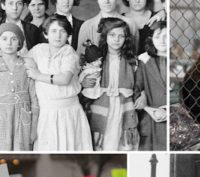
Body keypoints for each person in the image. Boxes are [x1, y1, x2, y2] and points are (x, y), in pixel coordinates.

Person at [25, 14, 93, 151]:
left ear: (68, 35)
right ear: (46, 34)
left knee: (69, 149)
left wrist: (38, 75)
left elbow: (64, 79)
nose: (58, 36)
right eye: (54, 31)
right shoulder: (38, 50)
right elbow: (24, 62)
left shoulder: (69, 52)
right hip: (45, 111)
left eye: (63, 31)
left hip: (68, 112)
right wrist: (29, 65)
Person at [88, 17, 139, 151]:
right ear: (105, 37)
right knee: (104, 142)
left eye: (121, 36)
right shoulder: (98, 60)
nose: (116, 39)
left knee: (122, 143)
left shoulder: (132, 61)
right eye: (112, 35)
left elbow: (139, 85)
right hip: (103, 105)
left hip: (123, 106)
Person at [0, 23, 39, 150]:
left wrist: (33, 128)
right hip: (2, 117)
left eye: (14, 39)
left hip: (23, 119)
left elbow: (34, 99)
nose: (9, 43)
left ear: (19, 43)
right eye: (4, 39)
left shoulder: (27, 64)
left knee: (21, 154)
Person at [134, 20, 167, 150]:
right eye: (157, 36)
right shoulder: (144, 61)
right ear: (151, 39)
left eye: (166, 36)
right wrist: (148, 108)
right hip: (151, 119)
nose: (162, 41)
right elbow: (136, 89)